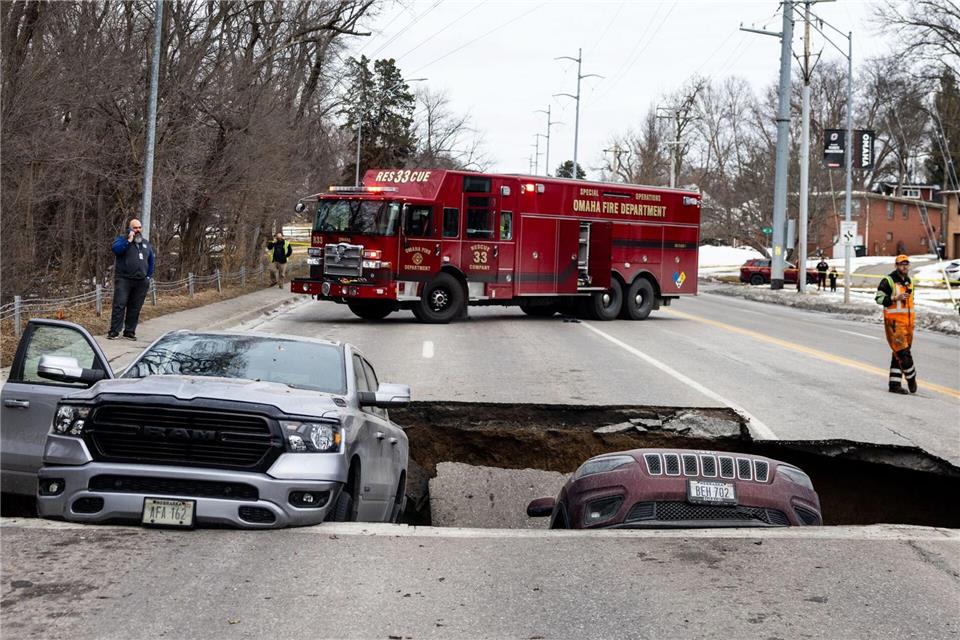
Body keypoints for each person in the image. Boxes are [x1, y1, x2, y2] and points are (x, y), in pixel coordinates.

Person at [875, 255, 917, 394]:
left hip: (908, 324)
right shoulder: (888, 281)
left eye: (906, 264)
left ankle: (894, 385)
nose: (904, 267)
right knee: (903, 354)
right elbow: (879, 298)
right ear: (896, 265)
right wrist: (895, 298)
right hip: (894, 324)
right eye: (901, 264)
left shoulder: (909, 281)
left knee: (897, 355)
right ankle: (911, 378)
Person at [109, 218, 154, 340]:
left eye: (139, 227)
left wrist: (148, 277)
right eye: (135, 228)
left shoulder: (145, 243)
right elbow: (116, 250)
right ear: (130, 228)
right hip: (124, 279)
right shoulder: (122, 240)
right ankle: (114, 331)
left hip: (141, 281)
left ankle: (129, 331)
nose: (137, 230)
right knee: (120, 304)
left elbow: (151, 261)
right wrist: (128, 240)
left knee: (135, 307)